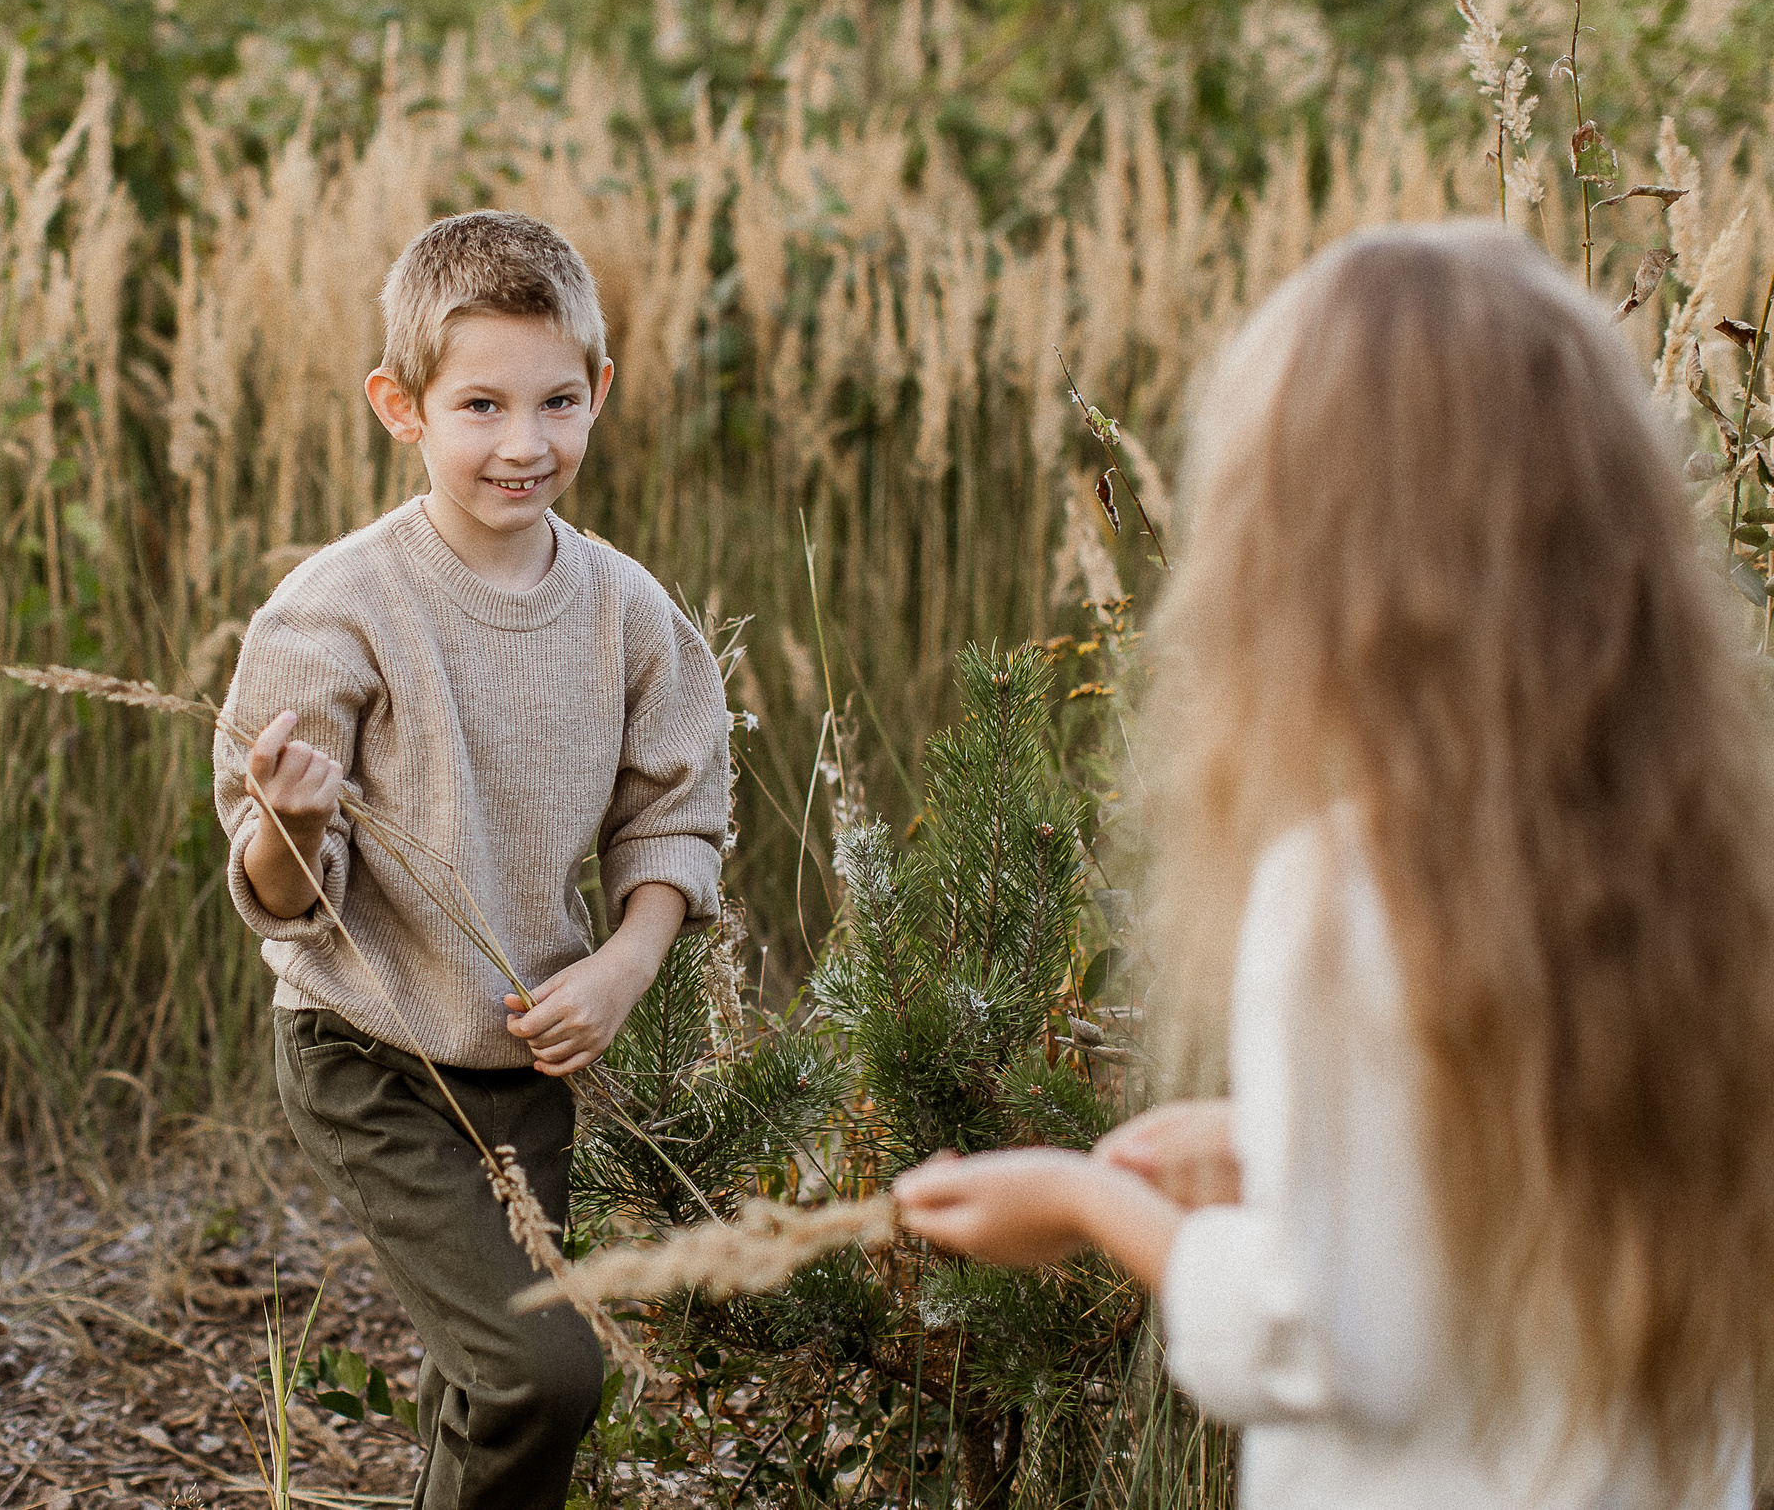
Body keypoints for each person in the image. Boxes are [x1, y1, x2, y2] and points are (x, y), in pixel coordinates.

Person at [891, 223, 1774, 1509]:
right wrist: (1281, 1143)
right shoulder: (1702, 855)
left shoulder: (1350, 890)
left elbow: (1333, 1337)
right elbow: (1528, 1168)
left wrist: (1088, 1207)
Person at [212, 210, 731, 1510]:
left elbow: (675, 809)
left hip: (526, 1052)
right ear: (403, 405)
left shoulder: (631, 613)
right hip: (370, 1052)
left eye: (558, 399)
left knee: (484, 1382)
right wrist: (292, 819)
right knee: (539, 1368)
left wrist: (626, 959)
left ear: (600, 389)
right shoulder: (333, 610)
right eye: (482, 402)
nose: (524, 440)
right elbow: (279, 897)